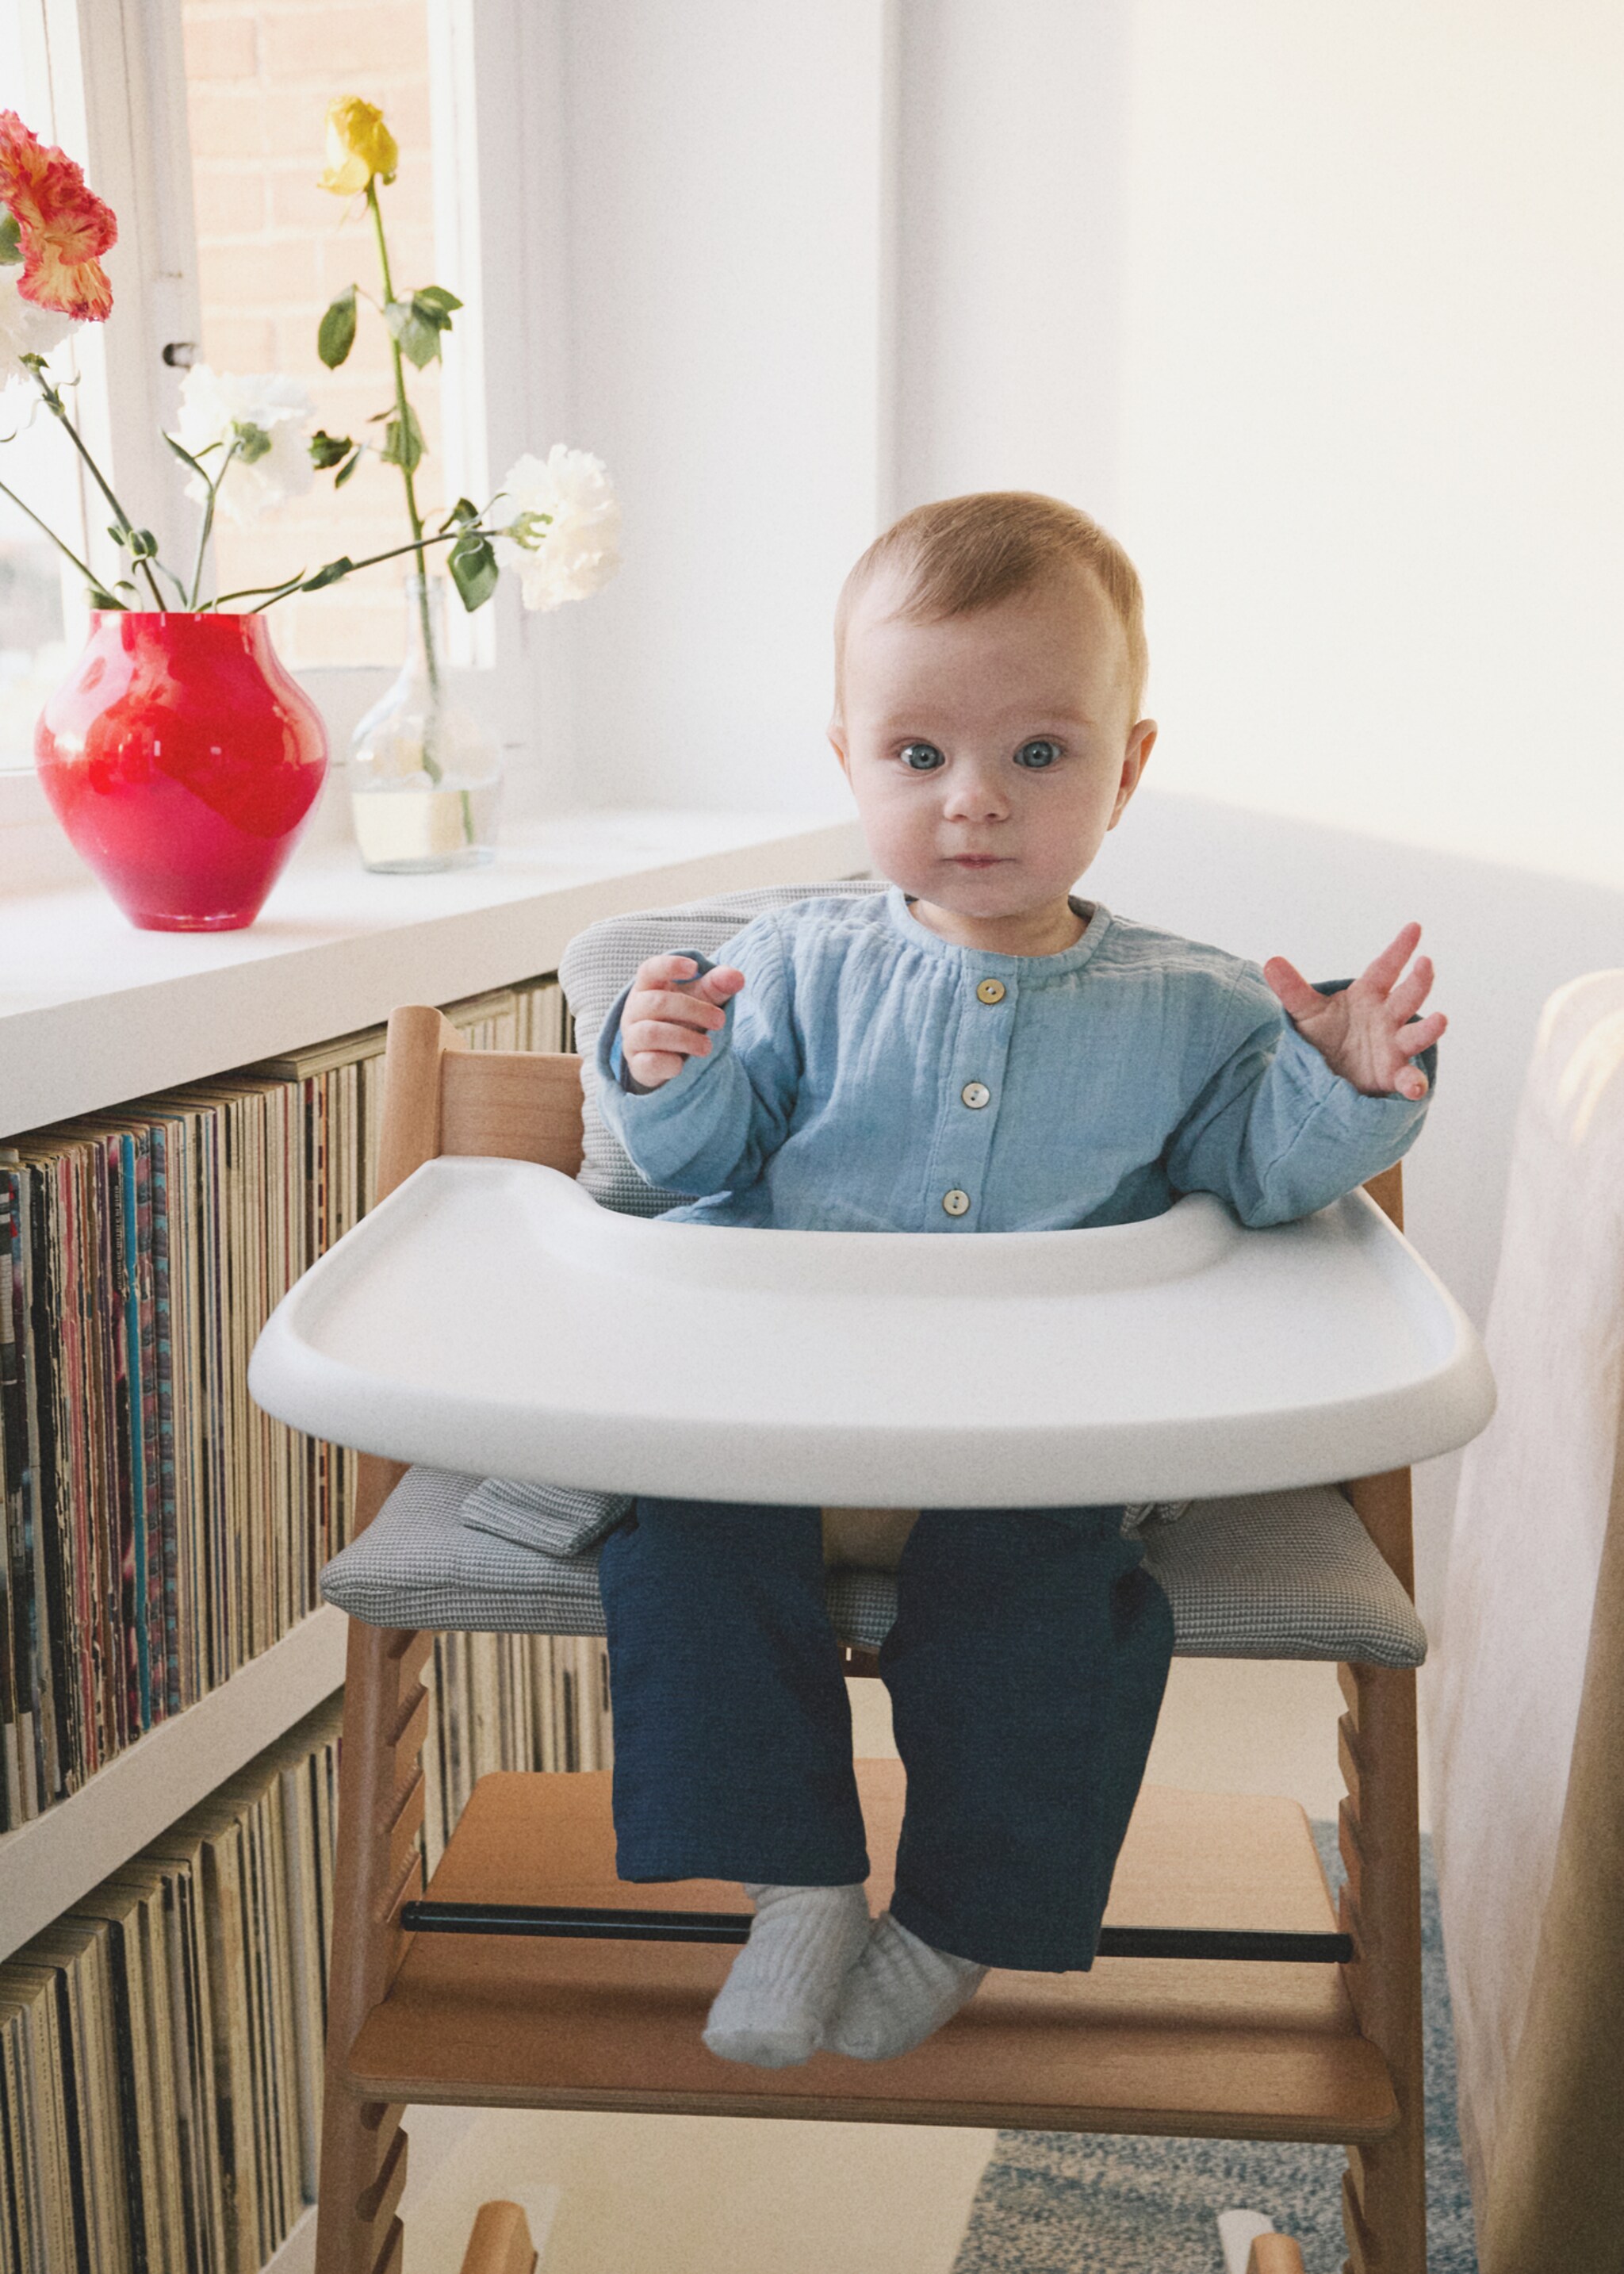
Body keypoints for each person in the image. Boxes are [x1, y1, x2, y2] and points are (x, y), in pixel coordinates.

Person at [592, 491, 1444, 2071]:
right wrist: (661, 1065)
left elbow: (1262, 1172)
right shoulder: (783, 965)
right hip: (788, 1422)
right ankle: (796, 1885)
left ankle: (966, 1914)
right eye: (918, 756)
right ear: (846, 757)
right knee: (673, 1554)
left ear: (1125, 765)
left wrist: (1348, 1089)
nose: (973, 803)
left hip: (1039, 1446)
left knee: (1059, 1618)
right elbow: (698, 1167)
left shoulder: (1196, 1007)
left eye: (1038, 755)